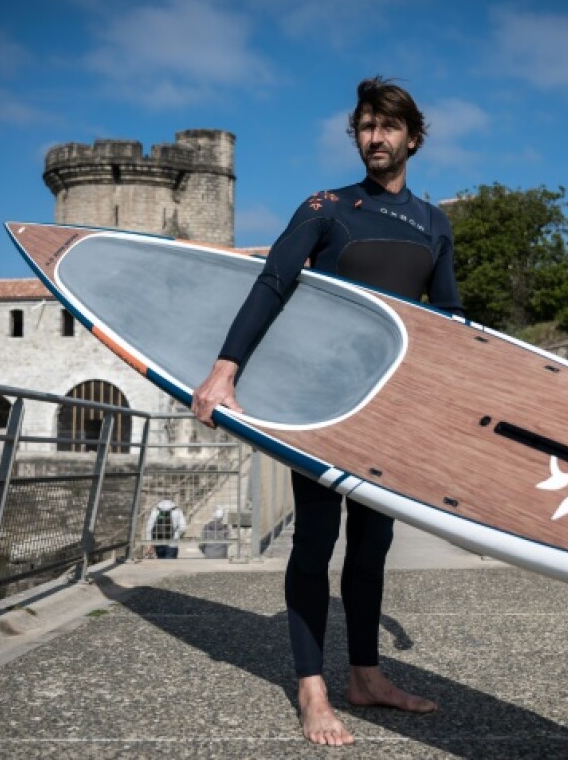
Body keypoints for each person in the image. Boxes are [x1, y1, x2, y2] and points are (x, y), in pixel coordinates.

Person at [192, 76, 461, 746]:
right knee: (315, 541)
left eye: (389, 126)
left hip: (388, 410)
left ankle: (366, 676)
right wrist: (224, 371)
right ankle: (312, 690)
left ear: (413, 138)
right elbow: (273, 282)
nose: (376, 137)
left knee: (373, 546)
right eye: (366, 126)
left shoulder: (434, 224)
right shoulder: (328, 206)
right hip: (320, 402)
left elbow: (451, 320)